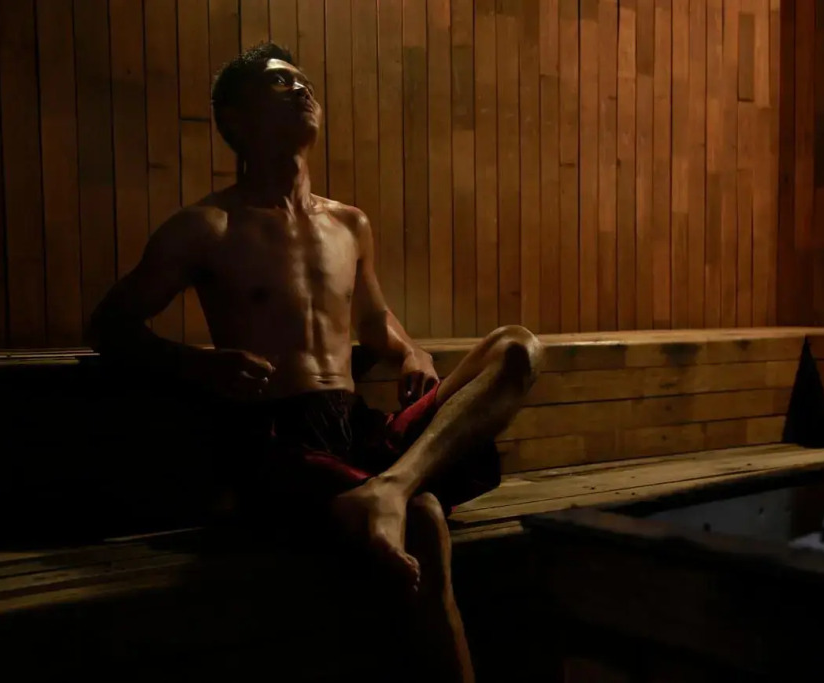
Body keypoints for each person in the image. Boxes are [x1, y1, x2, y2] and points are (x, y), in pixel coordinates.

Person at [87, 42, 542, 682]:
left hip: (354, 426)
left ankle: (389, 487)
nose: (301, 89)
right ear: (235, 118)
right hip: (275, 437)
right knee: (425, 520)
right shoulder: (206, 227)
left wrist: (410, 350)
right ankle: (397, 499)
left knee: (517, 346)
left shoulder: (349, 224)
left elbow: (375, 322)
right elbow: (109, 326)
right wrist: (197, 365)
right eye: (279, 83)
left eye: (303, 82)